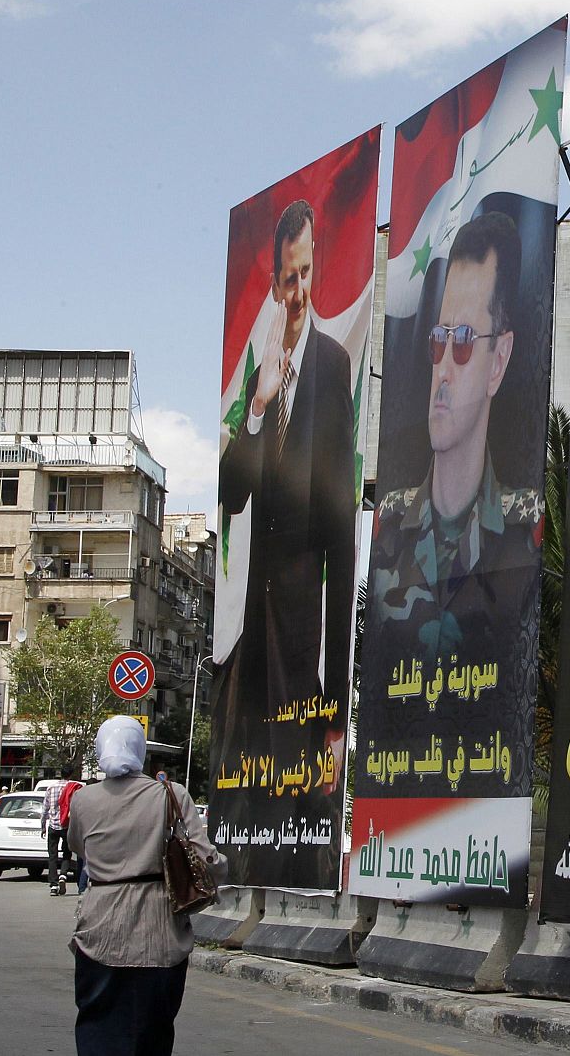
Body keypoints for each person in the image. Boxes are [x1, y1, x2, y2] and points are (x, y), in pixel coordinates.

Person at [368, 211, 541, 670]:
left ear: (498, 360)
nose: (443, 367)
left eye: (463, 340)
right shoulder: (389, 528)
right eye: (438, 340)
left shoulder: (524, 532)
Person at [215, 199, 353, 763]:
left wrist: (339, 707)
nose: (298, 291)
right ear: (274, 284)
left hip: (302, 661)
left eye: (305, 274)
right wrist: (257, 405)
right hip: (252, 644)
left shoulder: (333, 365)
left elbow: (343, 547)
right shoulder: (261, 375)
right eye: (288, 278)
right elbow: (232, 494)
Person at [67, 716, 225, 1056]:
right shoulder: (171, 795)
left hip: (99, 929)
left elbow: (79, 848)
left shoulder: (83, 800)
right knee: (152, 1032)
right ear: (141, 750)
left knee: (97, 1025)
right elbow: (204, 859)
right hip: (160, 934)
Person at [43, 770, 83, 896]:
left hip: (53, 826)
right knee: (67, 853)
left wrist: (43, 825)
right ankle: (63, 875)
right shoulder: (73, 787)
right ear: (70, 774)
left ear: (60, 773)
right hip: (67, 825)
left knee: (52, 856)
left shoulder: (51, 788)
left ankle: (53, 886)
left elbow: (45, 808)